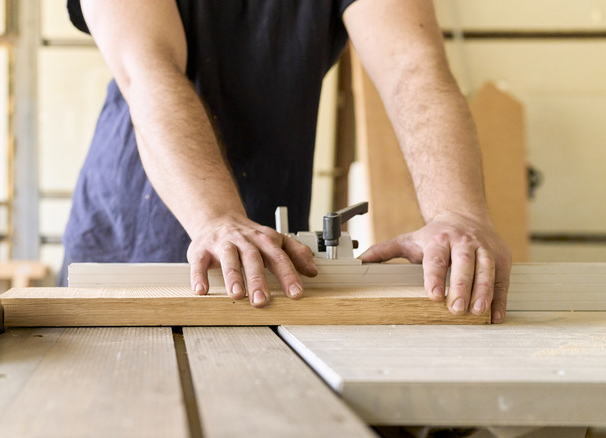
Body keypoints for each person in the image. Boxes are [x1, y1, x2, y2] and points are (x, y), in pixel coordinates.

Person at [61, 0, 512, 323]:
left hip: (266, 238)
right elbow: (149, 69)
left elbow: (412, 66)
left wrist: (458, 213)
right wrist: (215, 217)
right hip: (136, 226)